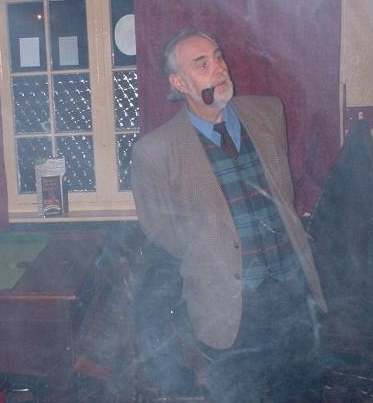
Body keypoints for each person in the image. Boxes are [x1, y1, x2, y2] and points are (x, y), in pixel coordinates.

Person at [131, 29, 327, 402]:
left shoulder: (269, 112)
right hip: (228, 306)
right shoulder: (154, 152)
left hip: (292, 290)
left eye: (218, 56)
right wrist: (211, 252)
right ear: (179, 83)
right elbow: (160, 228)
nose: (219, 68)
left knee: (302, 392)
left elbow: (283, 194)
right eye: (201, 64)